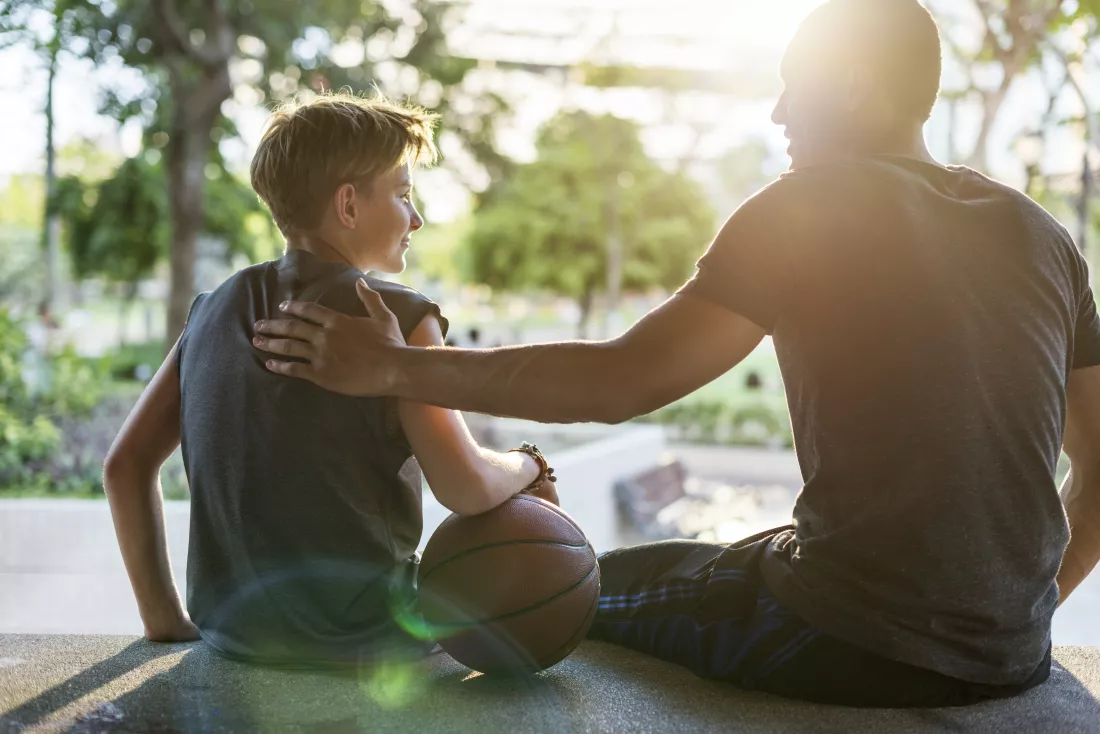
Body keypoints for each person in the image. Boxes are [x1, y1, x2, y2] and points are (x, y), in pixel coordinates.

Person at [253, 0, 1100, 707]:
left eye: (792, 89)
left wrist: (394, 367)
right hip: (1014, 656)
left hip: (845, 639)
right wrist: (1008, 623)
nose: (777, 114)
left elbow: (620, 381)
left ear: (850, 83)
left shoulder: (808, 208)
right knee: (725, 555)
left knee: (566, 580)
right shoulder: (1040, 233)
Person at [102, 93, 556, 668]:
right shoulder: (399, 319)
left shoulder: (210, 310)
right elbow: (464, 488)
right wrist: (529, 463)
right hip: (366, 642)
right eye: (402, 195)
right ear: (347, 205)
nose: (415, 219)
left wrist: (164, 617)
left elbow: (125, 465)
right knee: (550, 552)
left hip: (233, 638)